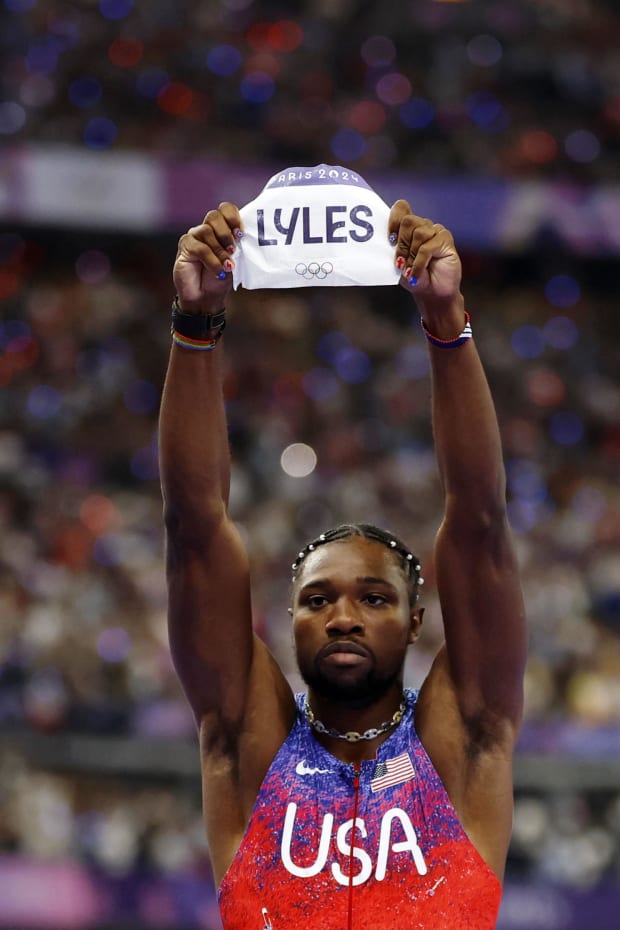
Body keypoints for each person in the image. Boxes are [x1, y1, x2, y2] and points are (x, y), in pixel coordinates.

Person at [158, 196, 527, 930]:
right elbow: (195, 528)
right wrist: (196, 325)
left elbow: (481, 523)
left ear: (418, 620)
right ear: (287, 621)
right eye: (318, 600)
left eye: (375, 599)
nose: (344, 617)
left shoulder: (468, 737)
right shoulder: (246, 742)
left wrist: (447, 323)